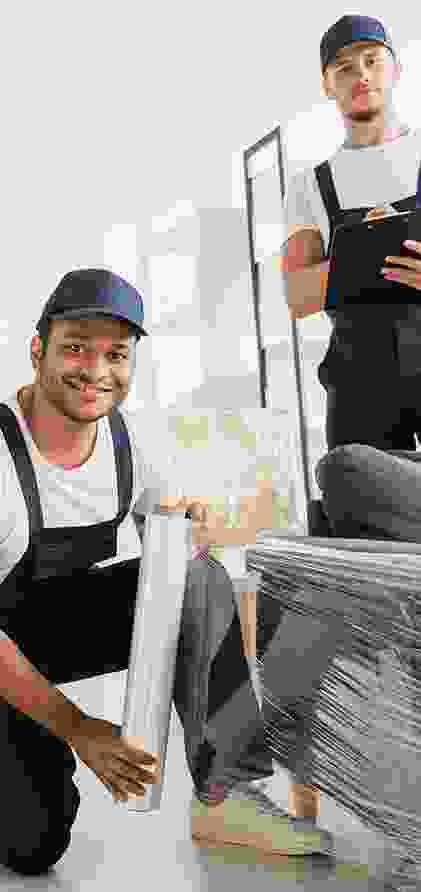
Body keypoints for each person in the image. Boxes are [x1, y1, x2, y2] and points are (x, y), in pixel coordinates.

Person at [0, 267, 332, 878]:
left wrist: (185, 530)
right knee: (33, 844)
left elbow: (170, 559)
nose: (95, 371)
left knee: (197, 576)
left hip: (47, 632)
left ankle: (224, 795)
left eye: (115, 355)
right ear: (37, 350)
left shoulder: (128, 442)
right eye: (76, 347)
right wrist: (78, 728)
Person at [283, 14, 421, 452]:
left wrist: (352, 262)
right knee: (352, 481)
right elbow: (298, 295)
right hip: (359, 383)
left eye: (371, 61)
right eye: (343, 67)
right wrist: (368, 251)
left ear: (395, 68)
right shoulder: (309, 185)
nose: (360, 74)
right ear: (326, 85)